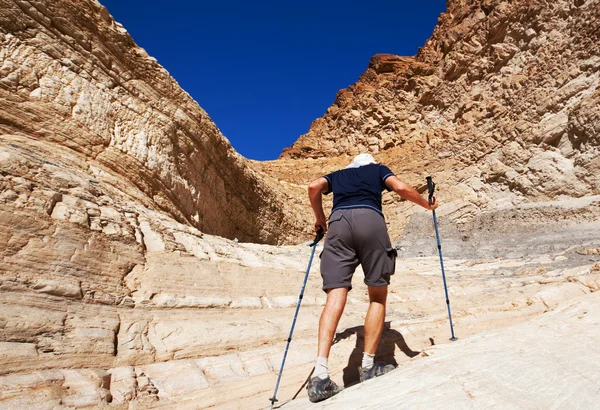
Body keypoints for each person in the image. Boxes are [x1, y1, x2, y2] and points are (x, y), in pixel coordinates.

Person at [306, 153, 438, 403]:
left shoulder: (339, 175)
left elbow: (313, 186)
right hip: (370, 219)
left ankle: (320, 376)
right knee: (377, 296)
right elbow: (399, 187)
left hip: (339, 224)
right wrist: (427, 204)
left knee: (335, 294)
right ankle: (368, 367)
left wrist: (321, 219)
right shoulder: (377, 170)